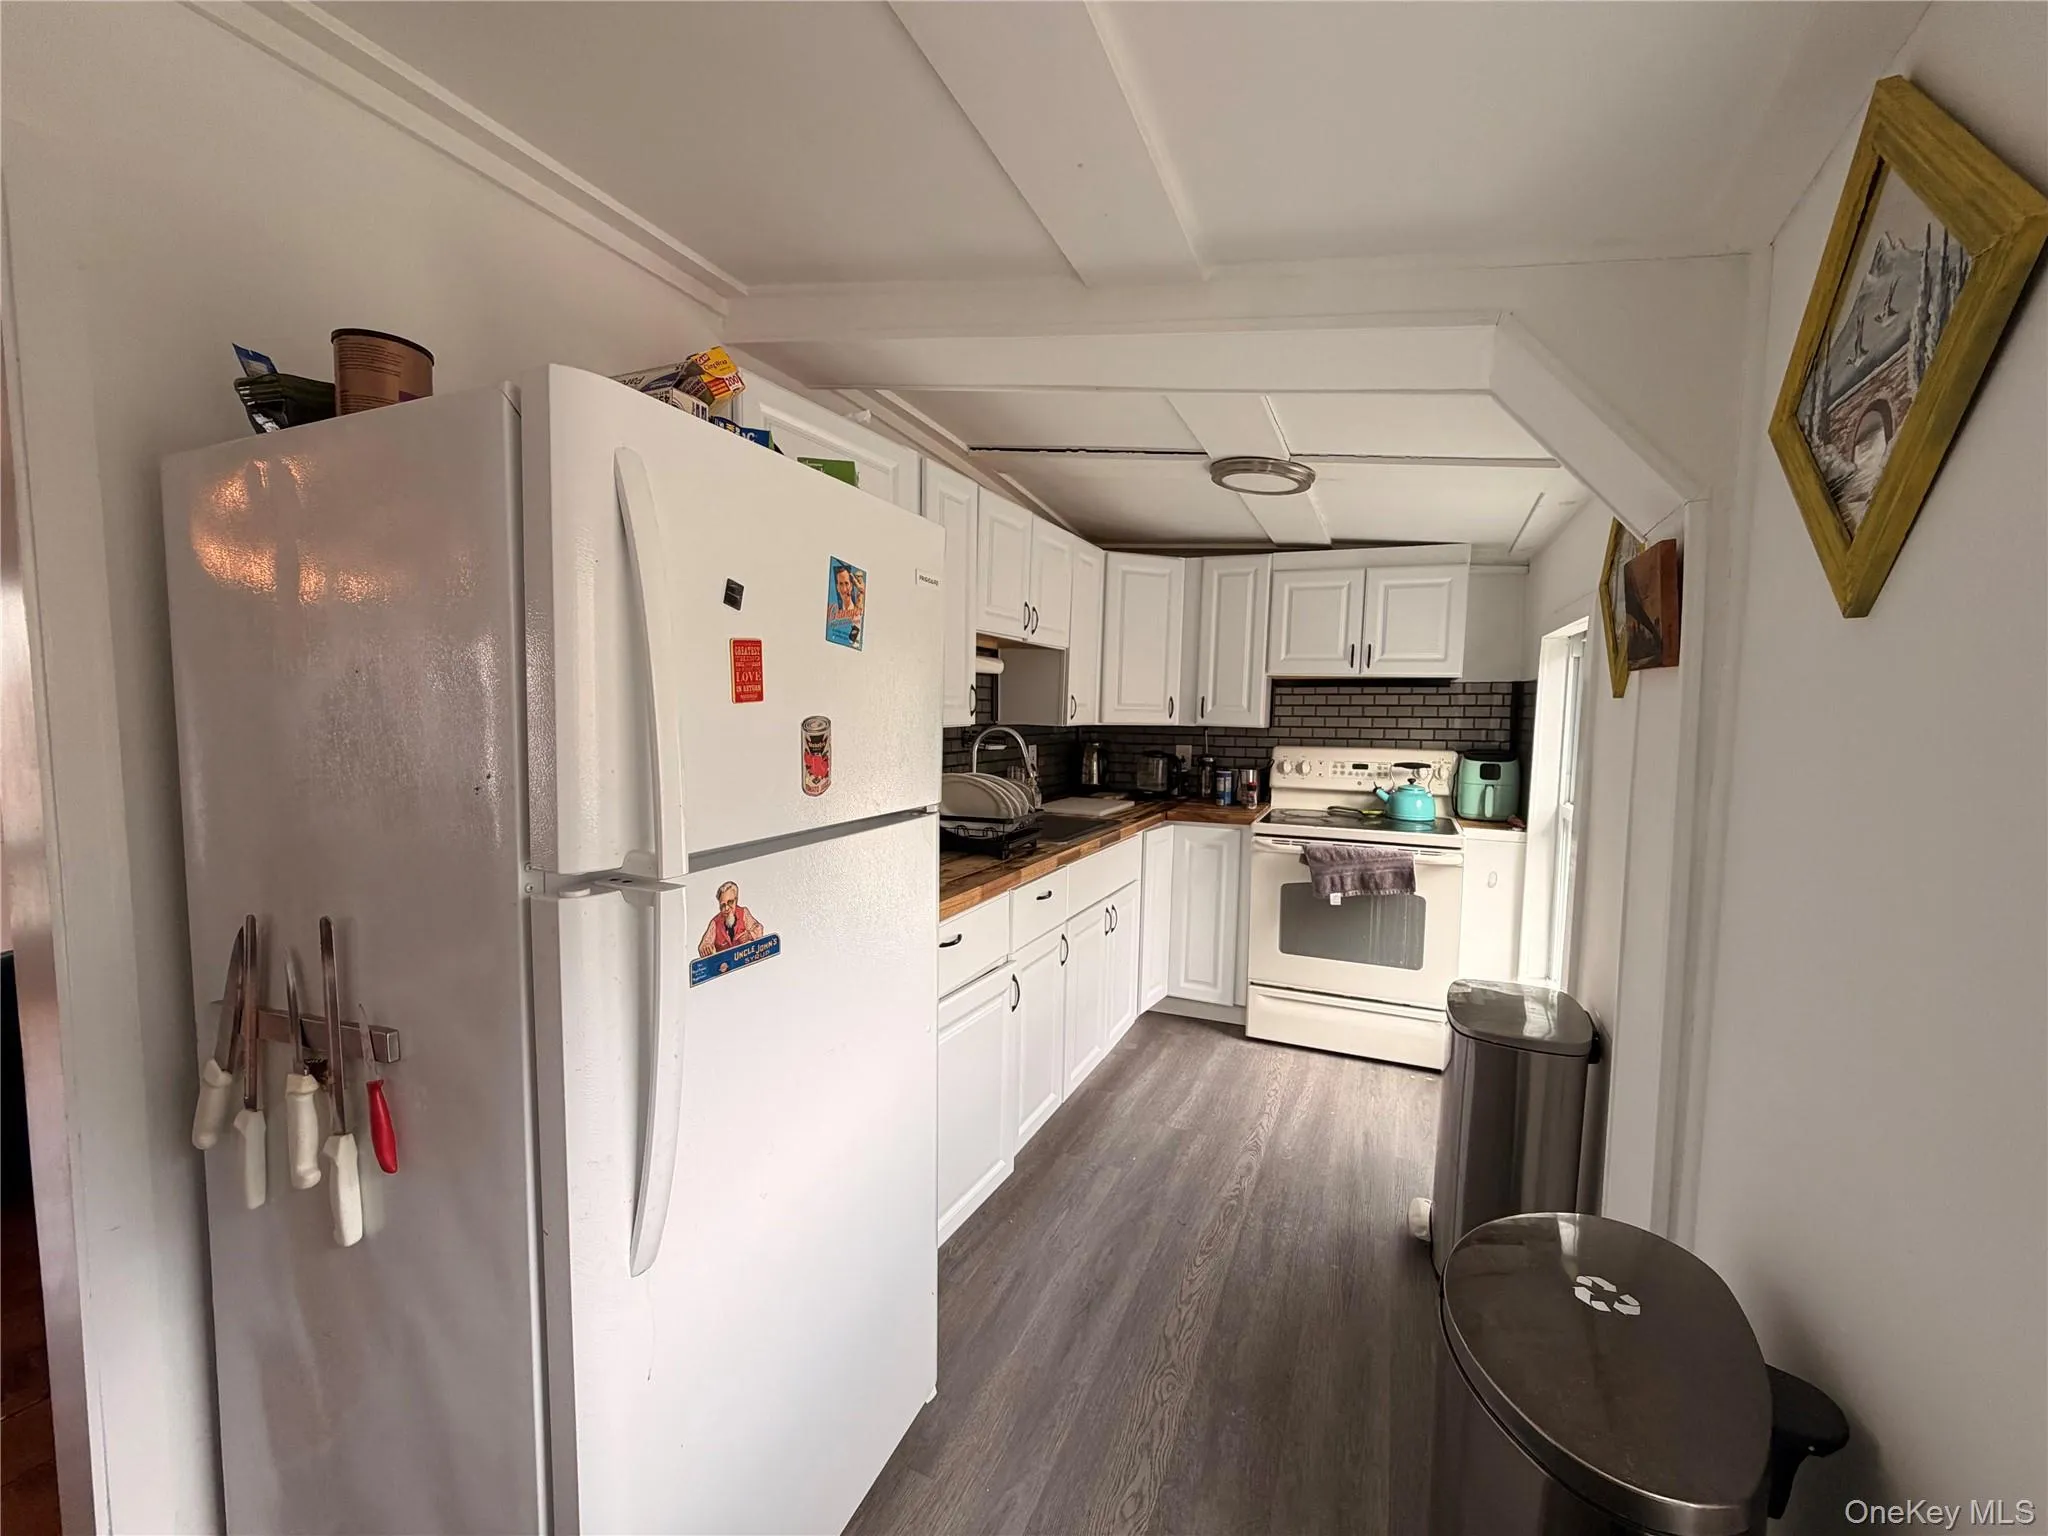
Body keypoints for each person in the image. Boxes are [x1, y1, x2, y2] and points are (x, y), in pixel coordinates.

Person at [697, 880, 765, 957]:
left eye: (730, 902)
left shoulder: (744, 913)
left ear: (736, 900)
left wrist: (750, 935)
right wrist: (706, 947)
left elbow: (759, 929)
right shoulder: (715, 922)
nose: (726, 908)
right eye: (723, 905)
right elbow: (703, 945)